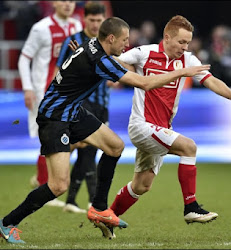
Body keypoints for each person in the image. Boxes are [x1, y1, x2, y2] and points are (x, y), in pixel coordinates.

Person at [0, 17, 210, 244]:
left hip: (73, 112)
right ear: (111, 38)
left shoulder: (91, 45)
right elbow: (145, 83)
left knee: (115, 146)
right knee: (58, 185)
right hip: (55, 117)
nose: (127, 45)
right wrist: (182, 73)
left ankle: (99, 208)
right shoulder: (101, 60)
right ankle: (8, 223)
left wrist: (78, 54)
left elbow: (86, 53)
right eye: (124, 40)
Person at [92, 15, 231, 238]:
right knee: (188, 147)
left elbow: (210, 80)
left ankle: (108, 217)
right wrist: (89, 54)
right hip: (141, 125)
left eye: (188, 42)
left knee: (141, 186)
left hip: (160, 129)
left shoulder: (189, 60)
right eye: (181, 42)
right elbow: (113, 57)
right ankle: (191, 207)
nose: (185, 47)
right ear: (167, 37)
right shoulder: (144, 53)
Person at [18, 1, 82, 207]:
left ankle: (43, 181)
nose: (67, 4)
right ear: (54, 3)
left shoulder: (76, 26)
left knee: (67, 137)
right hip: (42, 93)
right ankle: (44, 184)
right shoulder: (41, 28)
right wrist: (28, 88)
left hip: (66, 94)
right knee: (46, 137)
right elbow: (23, 58)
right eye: (63, 0)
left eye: (71, 1)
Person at [56, 2, 106, 214]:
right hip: (81, 102)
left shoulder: (107, 41)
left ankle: (73, 200)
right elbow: (60, 70)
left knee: (90, 151)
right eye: (92, 20)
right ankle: (93, 201)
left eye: (99, 20)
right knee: (88, 148)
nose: (95, 24)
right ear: (84, 19)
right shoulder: (73, 40)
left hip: (103, 104)